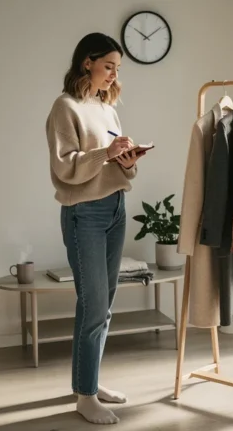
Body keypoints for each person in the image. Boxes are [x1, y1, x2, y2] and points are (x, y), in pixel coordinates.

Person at [46, 32, 142, 425]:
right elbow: (66, 167)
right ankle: (85, 397)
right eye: (108, 66)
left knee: (104, 309)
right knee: (93, 307)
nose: (113, 74)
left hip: (116, 206)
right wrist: (107, 152)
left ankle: (89, 383)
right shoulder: (64, 107)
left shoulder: (107, 108)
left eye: (118, 68)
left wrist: (128, 157)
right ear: (87, 62)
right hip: (84, 212)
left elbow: (120, 168)